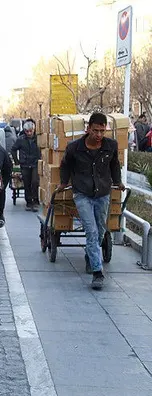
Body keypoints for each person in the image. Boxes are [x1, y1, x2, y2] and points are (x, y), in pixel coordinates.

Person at [59, 113, 125, 290]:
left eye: (102, 131)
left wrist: (118, 181)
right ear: (88, 129)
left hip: (102, 193)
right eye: (95, 130)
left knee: (101, 229)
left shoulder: (111, 146)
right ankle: (97, 273)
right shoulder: (74, 148)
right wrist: (64, 182)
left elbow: (114, 165)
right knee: (91, 230)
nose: (99, 135)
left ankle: (90, 255)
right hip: (82, 194)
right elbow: (65, 165)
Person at [11, 120, 41, 211]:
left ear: (34, 130)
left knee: (35, 182)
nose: (29, 133)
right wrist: (17, 161)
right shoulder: (21, 139)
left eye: (30, 131)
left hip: (35, 163)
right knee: (27, 183)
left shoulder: (38, 138)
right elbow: (13, 149)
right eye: (27, 131)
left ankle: (35, 200)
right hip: (25, 164)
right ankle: (28, 202)